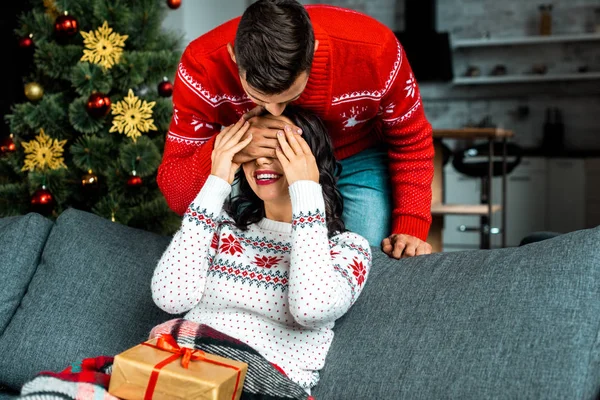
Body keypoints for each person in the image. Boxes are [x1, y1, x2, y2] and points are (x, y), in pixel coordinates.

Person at [157, 0, 435, 259]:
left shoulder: (376, 50)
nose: (275, 111)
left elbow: (411, 140)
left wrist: (411, 224)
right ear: (233, 56)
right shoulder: (201, 64)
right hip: (259, 164)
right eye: (260, 99)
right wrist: (234, 144)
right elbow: (177, 195)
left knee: (366, 260)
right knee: (246, 261)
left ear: (311, 53)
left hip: (355, 156)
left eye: (288, 97)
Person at [151, 106, 372, 393]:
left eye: (279, 149)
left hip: (264, 387)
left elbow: (312, 308)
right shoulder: (221, 229)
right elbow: (170, 298)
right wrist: (216, 181)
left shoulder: (348, 249)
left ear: (310, 160)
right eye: (253, 151)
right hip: (183, 371)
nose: (262, 161)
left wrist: (306, 188)